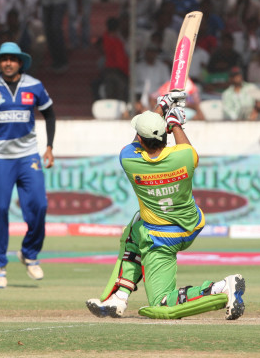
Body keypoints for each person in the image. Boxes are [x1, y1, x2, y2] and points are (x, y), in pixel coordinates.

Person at [85, 92, 245, 320]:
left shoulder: (130, 160)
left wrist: (162, 106)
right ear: (165, 137)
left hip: (161, 238)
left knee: (161, 303)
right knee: (134, 228)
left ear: (141, 140)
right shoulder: (184, 157)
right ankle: (119, 296)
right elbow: (186, 148)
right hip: (191, 225)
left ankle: (219, 288)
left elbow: (136, 141)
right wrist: (176, 123)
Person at [0, 42, 56, 289]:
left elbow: (49, 114)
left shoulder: (35, 86)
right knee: (1, 210)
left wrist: (49, 147)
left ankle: (29, 253)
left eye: (13, 59)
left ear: (21, 62)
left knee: (39, 205)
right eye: (4, 59)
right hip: (1, 158)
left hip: (29, 157)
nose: (8, 63)